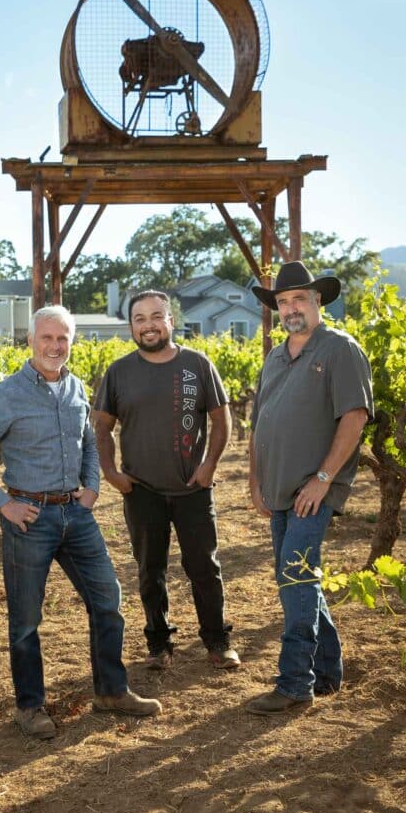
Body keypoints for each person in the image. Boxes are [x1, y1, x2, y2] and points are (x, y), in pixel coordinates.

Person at [0, 305, 161, 740]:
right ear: (30, 341)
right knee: (26, 618)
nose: (54, 346)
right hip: (29, 519)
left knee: (107, 598)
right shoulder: (8, 394)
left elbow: (88, 442)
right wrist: (1, 503)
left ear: (72, 342)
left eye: (62, 338)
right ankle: (30, 707)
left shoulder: (76, 388)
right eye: (46, 338)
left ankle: (111, 690)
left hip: (76, 515)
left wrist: (91, 486)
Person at [246, 261, 373, 715]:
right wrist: (255, 481)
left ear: (318, 301)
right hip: (278, 489)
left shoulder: (340, 350)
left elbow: (354, 417)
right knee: (297, 580)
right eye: (283, 302)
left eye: (300, 298)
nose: (291, 308)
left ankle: (295, 682)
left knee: (296, 581)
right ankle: (328, 672)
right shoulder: (276, 356)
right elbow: (261, 423)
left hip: (312, 490)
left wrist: (323, 479)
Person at [93, 290, 240, 672]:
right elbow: (102, 427)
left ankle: (217, 641)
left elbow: (222, 420)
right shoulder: (118, 372)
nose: (149, 325)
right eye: (140, 319)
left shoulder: (197, 364)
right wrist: (112, 474)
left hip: (193, 488)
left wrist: (209, 465)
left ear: (171, 320)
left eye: (156, 316)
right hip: (142, 491)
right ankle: (159, 644)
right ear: (131, 327)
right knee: (150, 571)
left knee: (205, 568)